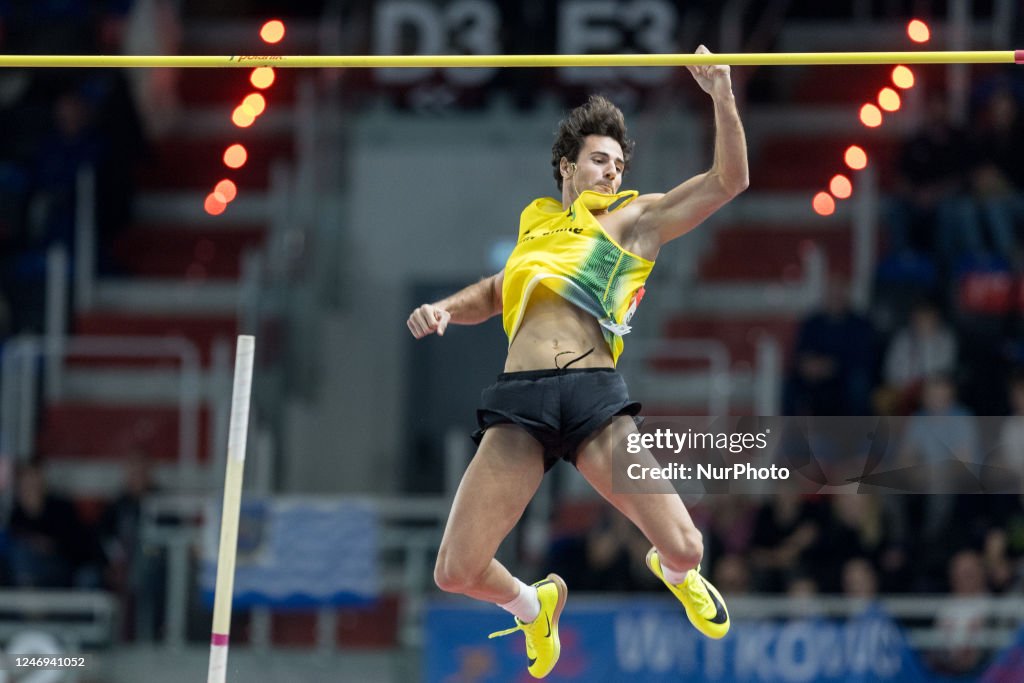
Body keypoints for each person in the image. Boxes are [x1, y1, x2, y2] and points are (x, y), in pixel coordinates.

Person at [407, 46, 747, 678]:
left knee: (687, 546)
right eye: (599, 160)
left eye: (619, 164)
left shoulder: (633, 221)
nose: (612, 173)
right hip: (521, 398)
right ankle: (535, 605)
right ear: (567, 166)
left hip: (593, 395)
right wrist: (446, 308)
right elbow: (497, 290)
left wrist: (720, 94)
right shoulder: (536, 228)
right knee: (455, 570)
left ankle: (672, 573)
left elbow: (729, 181)